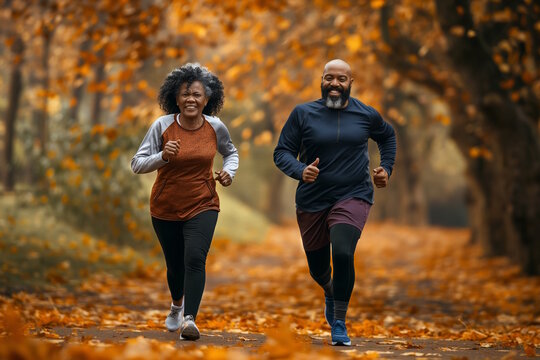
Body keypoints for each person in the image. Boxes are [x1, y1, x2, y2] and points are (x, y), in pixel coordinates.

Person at [273, 59, 396, 346]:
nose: (335, 84)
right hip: (312, 198)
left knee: (342, 252)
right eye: (330, 78)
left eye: (342, 79)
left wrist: (386, 168)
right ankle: (330, 289)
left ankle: (339, 321)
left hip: (354, 193)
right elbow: (282, 152)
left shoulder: (366, 114)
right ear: (322, 80)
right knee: (318, 269)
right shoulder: (303, 113)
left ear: (351, 83)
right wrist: (300, 171)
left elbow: (387, 137)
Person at [131, 63, 238, 341]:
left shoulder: (216, 127)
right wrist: (163, 156)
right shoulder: (162, 126)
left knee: (194, 258)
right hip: (165, 206)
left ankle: (190, 319)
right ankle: (177, 305)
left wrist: (229, 172)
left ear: (207, 99)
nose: (191, 99)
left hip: (203, 202)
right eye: (184, 94)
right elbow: (137, 164)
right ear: (175, 98)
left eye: (197, 95)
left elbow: (231, 153)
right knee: (175, 264)